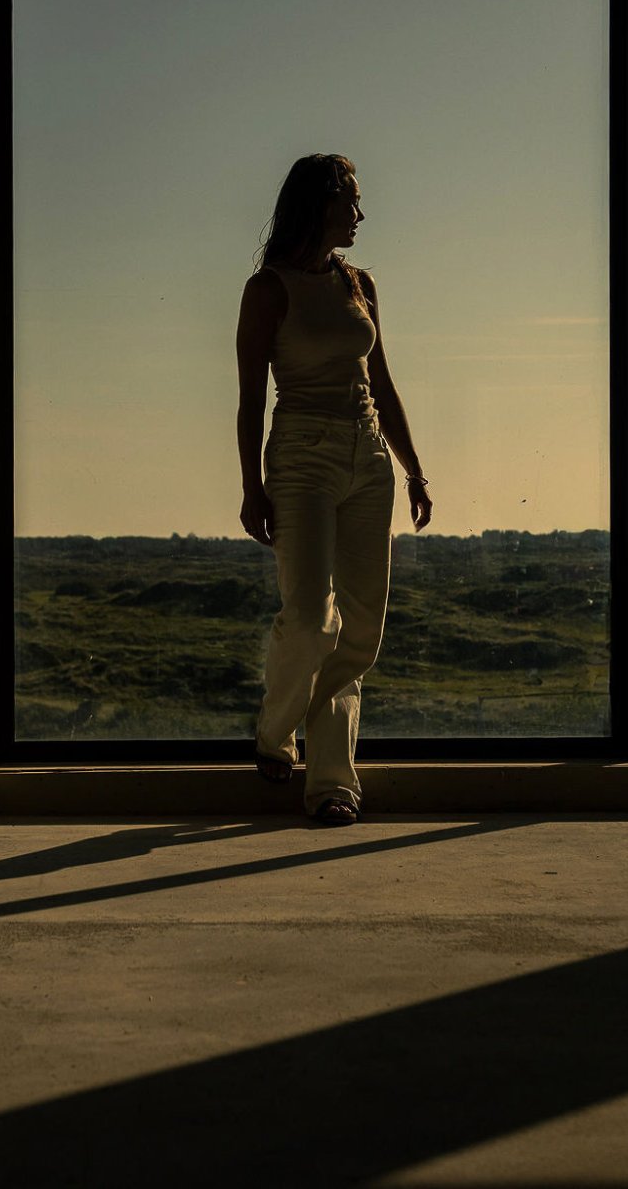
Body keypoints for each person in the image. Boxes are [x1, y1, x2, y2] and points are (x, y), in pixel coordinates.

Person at [234, 154, 433, 826]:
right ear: (319, 204)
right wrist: (250, 487)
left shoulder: (360, 284)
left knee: (362, 628)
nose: (361, 213)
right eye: (351, 200)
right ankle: (273, 730)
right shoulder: (269, 289)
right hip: (302, 460)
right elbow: (248, 400)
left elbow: (383, 381)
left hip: (368, 458)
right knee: (312, 616)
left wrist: (413, 468)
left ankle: (330, 785)